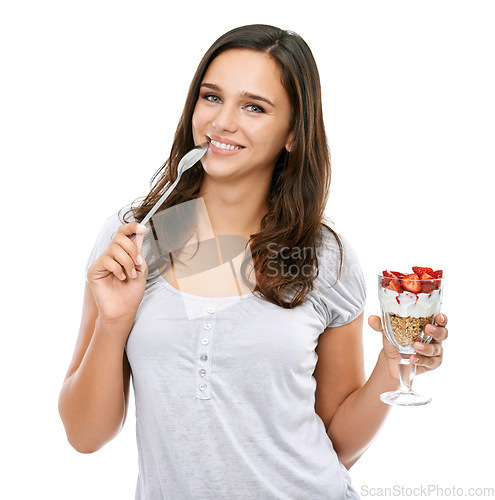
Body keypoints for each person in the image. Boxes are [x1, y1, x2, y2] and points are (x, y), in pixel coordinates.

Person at [58, 24, 449, 499]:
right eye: (211, 97)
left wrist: (391, 366)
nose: (222, 122)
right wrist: (113, 322)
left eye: (254, 107)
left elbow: (338, 445)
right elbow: (85, 436)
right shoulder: (137, 239)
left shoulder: (323, 256)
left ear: (291, 133)